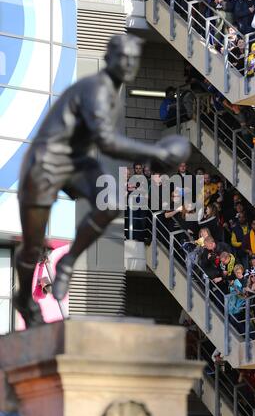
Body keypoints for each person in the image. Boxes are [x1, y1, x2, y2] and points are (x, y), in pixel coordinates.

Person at [14, 34, 191, 327]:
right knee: (32, 247)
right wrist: (155, 151)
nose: (130, 65)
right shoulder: (95, 89)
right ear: (110, 59)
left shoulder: (111, 94)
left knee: (113, 200)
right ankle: (24, 298)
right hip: (44, 163)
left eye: (134, 60)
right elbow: (107, 142)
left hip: (74, 162)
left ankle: (69, 261)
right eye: (125, 59)